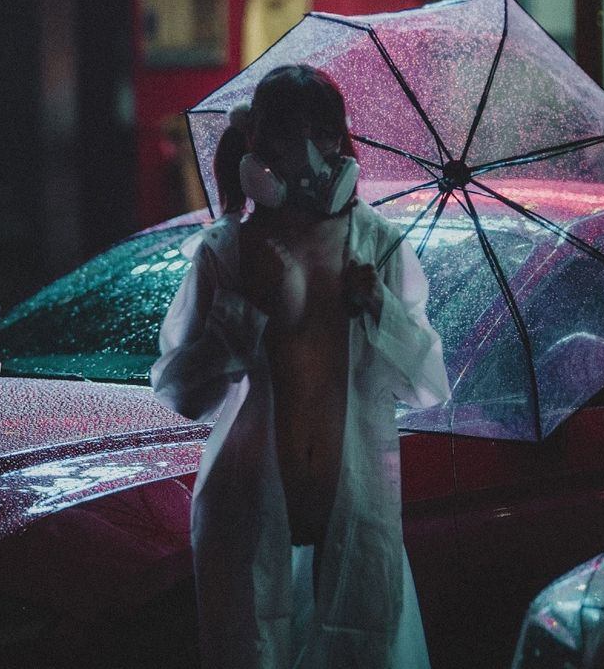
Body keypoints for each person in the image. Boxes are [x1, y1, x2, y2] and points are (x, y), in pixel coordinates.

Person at [151, 65, 450, 668]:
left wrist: (381, 308)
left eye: (326, 133)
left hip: (355, 505)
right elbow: (181, 393)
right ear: (260, 146)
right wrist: (242, 313)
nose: (313, 152)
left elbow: (428, 386)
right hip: (247, 508)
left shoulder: (377, 245)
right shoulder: (229, 251)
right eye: (293, 133)